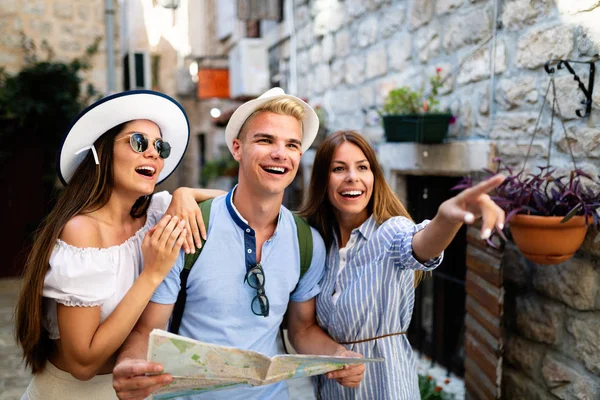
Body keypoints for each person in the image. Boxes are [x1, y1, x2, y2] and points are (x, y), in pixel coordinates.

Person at [111, 88, 366, 400]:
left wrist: (339, 356)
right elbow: (147, 330)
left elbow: (301, 331)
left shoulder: (306, 242)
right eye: (265, 140)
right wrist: (130, 365)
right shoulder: (189, 228)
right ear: (236, 147)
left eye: (292, 145)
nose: (280, 153)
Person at [15, 90, 224, 400]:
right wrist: (152, 274)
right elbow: (83, 363)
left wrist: (184, 193)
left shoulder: (154, 211)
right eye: (138, 142)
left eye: (160, 146)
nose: (153, 153)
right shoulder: (81, 232)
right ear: (103, 152)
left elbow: (234, 204)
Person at [298, 130, 506, 399]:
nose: (353, 176)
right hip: (332, 391)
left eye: (363, 167)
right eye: (339, 168)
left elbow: (421, 244)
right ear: (322, 180)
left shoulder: (391, 231)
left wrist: (447, 218)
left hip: (387, 387)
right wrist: (338, 354)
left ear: (374, 176)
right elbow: (302, 328)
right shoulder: (319, 243)